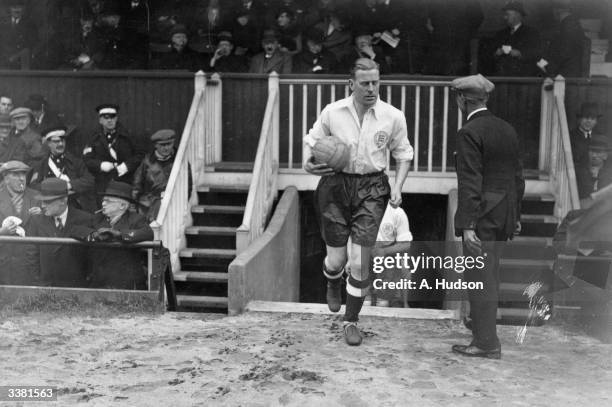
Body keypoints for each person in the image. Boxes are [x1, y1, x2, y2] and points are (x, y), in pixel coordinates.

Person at [303, 58, 413, 346]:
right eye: (364, 83)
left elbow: (403, 154)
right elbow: (312, 143)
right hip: (336, 186)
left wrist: (398, 187)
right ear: (351, 84)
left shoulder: (392, 116)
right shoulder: (332, 112)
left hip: (372, 188)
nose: (371, 88)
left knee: (359, 263)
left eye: (375, 82)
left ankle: (351, 321)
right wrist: (309, 165)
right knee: (337, 259)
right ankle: (332, 279)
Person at [452, 74, 524, 359]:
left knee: (479, 278)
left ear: (462, 100)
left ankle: (486, 343)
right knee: (490, 276)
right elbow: (517, 177)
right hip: (505, 213)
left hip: (482, 215)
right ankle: (484, 336)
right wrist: (516, 214)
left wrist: (468, 225)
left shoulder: (468, 132)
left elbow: (470, 181)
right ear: (484, 99)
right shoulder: (507, 129)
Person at [26, 178, 94, 287]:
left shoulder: (85, 220)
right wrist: (39, 284)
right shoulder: (36, 221)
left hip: (76, 289)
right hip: (45, 289)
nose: (42, 205)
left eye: (47, 201)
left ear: (63, 200)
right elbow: (31, 256)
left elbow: (91, 258)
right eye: (42, 201)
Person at [86, 181, 153, 290]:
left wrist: (120, 234)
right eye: (103, 200)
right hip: (100, 280)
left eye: (108, 201)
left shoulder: (136, 219)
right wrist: (93, 234)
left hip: (127, 282)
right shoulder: (97, 219)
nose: (103, 204)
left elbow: (148, 233)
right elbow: (77, 229)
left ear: (122, 205)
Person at [83, 104, 142, 208]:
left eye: (113, 117)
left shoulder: (128, 136)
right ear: (100, 120)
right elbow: (87, 159)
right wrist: (101, 165)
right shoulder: (93, 138)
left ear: (117, 118)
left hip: (125, 182)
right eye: (106, 118)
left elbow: (139, 155)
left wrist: (127, 166)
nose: (110, 120)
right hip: (103, 184)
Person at [31, 126, 95, 213]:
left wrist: (69, 185)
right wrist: (51, 188)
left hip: (74, 206)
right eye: (56, 141)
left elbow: (89, 180)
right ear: (48, 143)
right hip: (52, 206)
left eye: (63, 140)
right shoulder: (42, 164)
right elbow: (34, 185)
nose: (61, 144)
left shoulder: (75, 161)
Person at [0, 160, 40, 285]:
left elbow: (51, 226)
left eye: (23, 174)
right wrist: (2, 232)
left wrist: (43, 215)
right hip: (4, 266)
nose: (22, 179)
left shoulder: (38, 197)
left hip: (30, 266)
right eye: (16, 175)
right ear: (6, 178)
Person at [366, 202, 413, 307]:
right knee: (366, 302)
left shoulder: (397, 213)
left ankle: (402, 303)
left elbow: (406, 244)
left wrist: (384, 251)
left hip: (389, 260)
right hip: (367, 257)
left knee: (405, 271)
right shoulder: (363, 208)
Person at [132, 129, 177, 222]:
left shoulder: (179, 161)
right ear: (156, 145)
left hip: (174, 205)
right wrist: (133, 206)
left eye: (169, 144)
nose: (166, 148)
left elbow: (188, 186)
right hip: (150, 207)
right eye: (162, 145)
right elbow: (137, 185)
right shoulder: (147, 162)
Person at [491, 1, 541, 77]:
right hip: (502, 76)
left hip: (523, 76)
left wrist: (520, 54)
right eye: (505, 15)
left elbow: (537, 53)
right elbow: (491, 54)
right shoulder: (500, 34)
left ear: (517, 15)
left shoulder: (531, 33)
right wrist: (496, 53)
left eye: (507, 14)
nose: (505, 17)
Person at [538, 0, 586, 78]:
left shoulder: (568, 25)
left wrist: (547, 67)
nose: (553, 13)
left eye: (554, 9)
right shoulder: (569, 24)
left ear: (558, 10)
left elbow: (564, 52)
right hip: (566, 72)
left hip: (565, 74)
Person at [575, 135, 612, 207]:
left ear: (605, 156)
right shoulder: (578, 172)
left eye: (598, 152)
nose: (594, 155)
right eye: (592, 151)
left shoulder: (609, 175)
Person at [570, 102, 602, 169]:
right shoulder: (571, 136)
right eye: (586, 117)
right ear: (579, 119)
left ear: (596, 121)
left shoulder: (599, 138)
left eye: (592, 118)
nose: (589, 121)